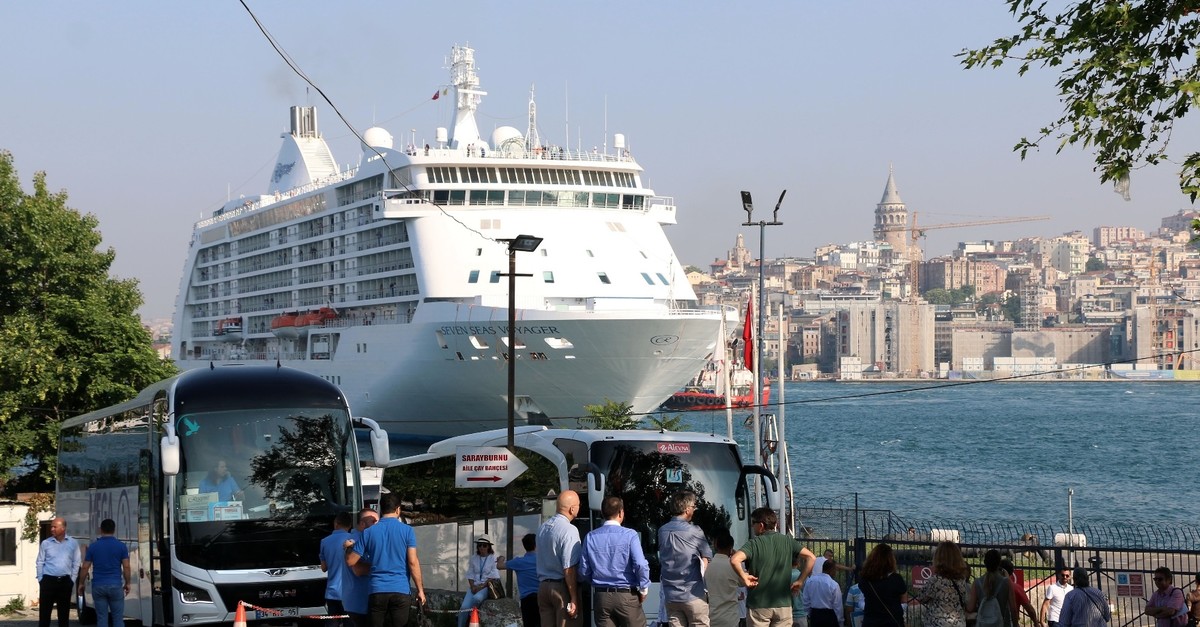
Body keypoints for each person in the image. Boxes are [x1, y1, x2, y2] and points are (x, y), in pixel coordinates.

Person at [345, 493, 427, 627]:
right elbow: (412, 562)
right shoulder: (407, 531)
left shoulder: (369, 532)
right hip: (400, 589)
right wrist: (420, 590)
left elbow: (351, 561)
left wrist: (350, 547)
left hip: (377, 590)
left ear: (381, 510)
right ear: (398, 509)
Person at [730, 507, 815, 627]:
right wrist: (800, 581)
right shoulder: (787, 541)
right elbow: (811, 557)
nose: (752, 527)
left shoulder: (754, 543)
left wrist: (744, 577)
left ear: (761, 525)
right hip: (783, 604)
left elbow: (734, 560)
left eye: (753, 523)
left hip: (758, 604)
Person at [579, 496, 650, 627]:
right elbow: (640, 564)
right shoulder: (630, 535)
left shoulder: (590, 537)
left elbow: (583, 571)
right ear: (621, 512)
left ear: (602, 513)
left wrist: (597, 581)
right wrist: (644, 587)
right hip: (626, 596)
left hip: (601, 598)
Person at [658, 490, 714, 627]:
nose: (694, 510)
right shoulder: (694, 531)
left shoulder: (662, 530)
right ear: (687, 509)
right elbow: (708, 555)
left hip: (671, 596)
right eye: (694, 507)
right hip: (693, 594)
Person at [537, 490, 583, 627]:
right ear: (572, 508)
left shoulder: (542, 528)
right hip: (561, 589)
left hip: (543, 588)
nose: (580, 507)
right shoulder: (569, 530)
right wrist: (574, 597)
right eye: (579, 504)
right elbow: (569, 568)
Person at [77, 519, 130, 627]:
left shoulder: (93, 546)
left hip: (98, 586)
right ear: (114, 530)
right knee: (118, 619)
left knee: (101, 619)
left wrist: (81, 583)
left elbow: (85, 567)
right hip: (115, 585)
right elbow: (126, 566)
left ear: (101, 530)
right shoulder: (121, 546)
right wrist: (128, 583)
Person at [36, 516, 80, 627]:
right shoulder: (46, 543)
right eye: (51, 527)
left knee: (64, 616)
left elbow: (76, 562)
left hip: (65, 581)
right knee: (44, 616)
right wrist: (41, 579)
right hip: (48, 581)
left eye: (54, 527)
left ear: (63, 528)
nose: (52, 529)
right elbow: (40, 562)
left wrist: (72, 580)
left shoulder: (73, 543)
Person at [915, 541, 971, 627]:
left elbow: (921, 597)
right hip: (958, 623)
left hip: (938, 623)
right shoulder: (961, 580)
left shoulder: (936, 580)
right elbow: (965, 599)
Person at [341, 508, 380, 627]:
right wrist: (384, 567)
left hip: (352, 602)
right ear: (362, 523)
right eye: (373, 522)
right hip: (362, 603)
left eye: (377, 521)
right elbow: (358, 569)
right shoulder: (358, 541)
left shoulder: (351, 539)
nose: (377, 525)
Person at [859, 543, 910, 627]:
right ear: (891, 560)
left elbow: (863, 598)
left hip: (870, 622)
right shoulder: (896, 579)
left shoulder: (865, 579)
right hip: (892, 622)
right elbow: (904, 601)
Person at [457, 535, 501, 627]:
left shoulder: (493, 558)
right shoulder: (474, 558)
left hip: (486, 586)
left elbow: (493, 576)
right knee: (463, 608)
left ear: (488, 546)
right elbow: (470, 574)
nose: (481, 547)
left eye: (484, 545)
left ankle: (470, 616)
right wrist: (473, 586)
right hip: (474, 586)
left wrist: (481, 587)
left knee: (476, 598)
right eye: (480, 545)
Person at [498, 534, 540, 627]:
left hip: (526, 599)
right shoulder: (541, 560)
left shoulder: (518, 562)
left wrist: (501, 558)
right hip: (541, 597)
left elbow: (499, 566)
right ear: (536, 545)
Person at [320, 512, 354, 626]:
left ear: (336, 524)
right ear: (350, 526)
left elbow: (324, 568)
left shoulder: (324, 541)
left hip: (332, 592)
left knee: (332, 623)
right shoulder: (354, 540)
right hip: (350, 593)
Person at [967, 550, 1016, 627]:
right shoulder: (1006, 582)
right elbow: (1013, 608)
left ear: (985, 563)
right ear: (999, 563)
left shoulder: (977, 583)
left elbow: (970, 608)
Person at [705, 531, 742, 627]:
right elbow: (745, 581)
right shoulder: (734, 567)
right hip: (730, 619)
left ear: (716, 546)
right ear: (731, 548)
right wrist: (738, 556)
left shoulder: (707, 567)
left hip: (712, 618)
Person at [1000, 557, 1042, 627]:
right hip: (1011, 622)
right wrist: (1035, 622)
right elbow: (1029, 608)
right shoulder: (1017, 588)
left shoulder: (990, 587)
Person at [803, 559, 844, 627]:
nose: (836, 572)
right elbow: (838, 606)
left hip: (815, 615)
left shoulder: (810, 581)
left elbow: (806, 600)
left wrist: (810, 614)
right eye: (835, 570)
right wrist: (840, 621)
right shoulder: (833, 584)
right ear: (831, 570)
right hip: (829, 616)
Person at [790, 552, 809, 627]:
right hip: (801, 613)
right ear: (798, 563)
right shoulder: (803, 577)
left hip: (786, 613)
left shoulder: (783, 577)